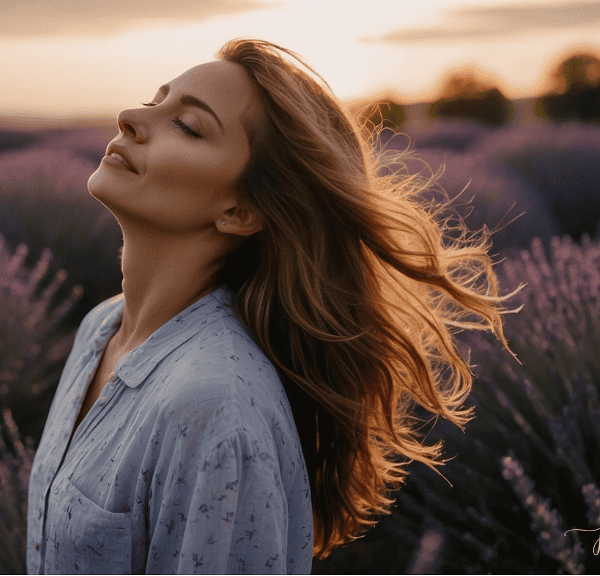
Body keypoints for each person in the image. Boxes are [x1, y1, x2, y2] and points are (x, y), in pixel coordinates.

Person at [26, 38, 521, 574]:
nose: (130, 117)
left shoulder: (214, 409)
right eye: (154, 100)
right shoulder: (102, 327)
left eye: (188, 126)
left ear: (241, 211)